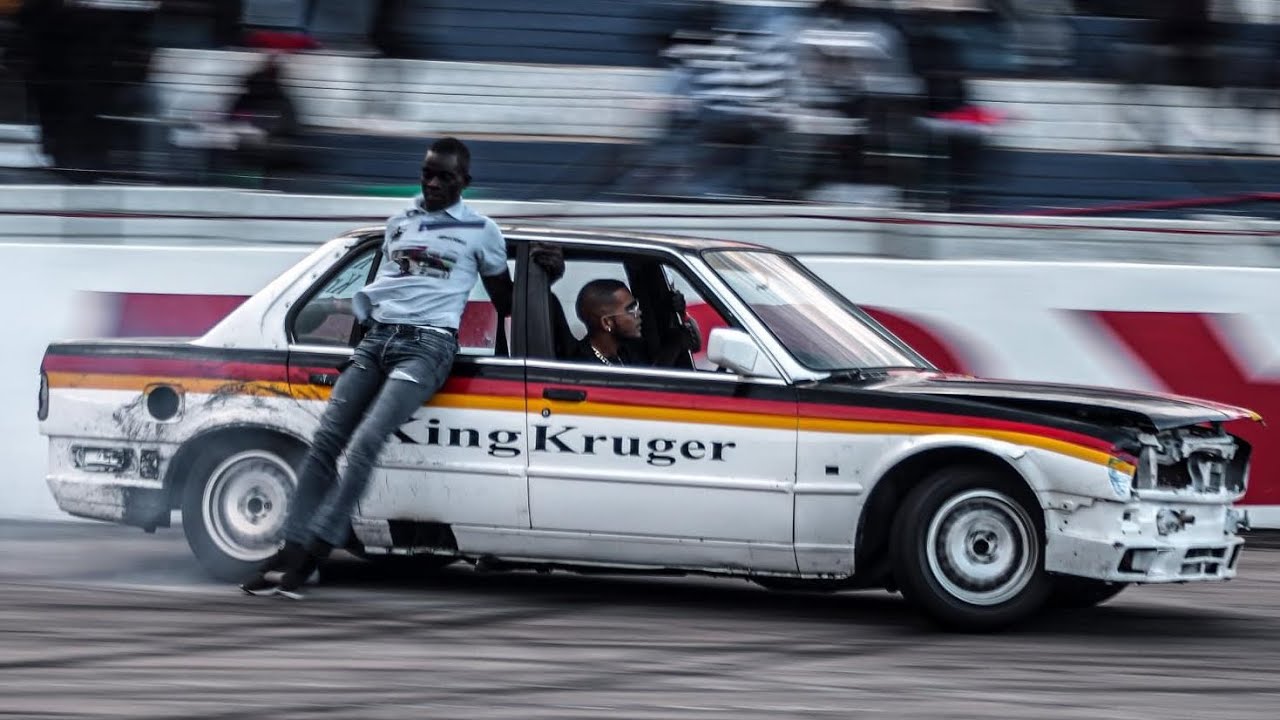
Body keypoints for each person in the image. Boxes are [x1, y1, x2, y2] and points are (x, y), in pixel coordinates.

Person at [240, 136, 513, 599]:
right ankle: (290, 547)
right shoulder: (399, 221)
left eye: (445, 177)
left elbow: (506, 300)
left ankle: (316, 550)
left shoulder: (481, 230)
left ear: (464, 182)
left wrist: (550, 275)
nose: (432, 183)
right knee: (325, 441)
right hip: (377, 340)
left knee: (367, 440)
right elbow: (387, 284)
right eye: (427, 173)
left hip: (428, 346)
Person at [567, 279, 700, 368]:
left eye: (636, 306)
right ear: (607, 323)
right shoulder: (583, 365)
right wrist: (674, 345)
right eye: (631, 309)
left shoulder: (629, 348)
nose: (639, 313)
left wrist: (680, 315)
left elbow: (693, 342)